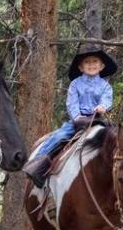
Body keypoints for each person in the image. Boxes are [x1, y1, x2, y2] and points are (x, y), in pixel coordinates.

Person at [23, 44, 117, 185]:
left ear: (102, 66)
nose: (91, 65)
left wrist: (102, 106)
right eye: (87, 62)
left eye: (95, 61)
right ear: (80, 67)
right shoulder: (75, 84)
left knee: (115, 140)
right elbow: (71, 103)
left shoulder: (105, 86)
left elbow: (106, 99)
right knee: (60, 136)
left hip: (98, 120)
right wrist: (77, 117)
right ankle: (37, 163)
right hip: (78, 120)